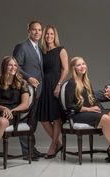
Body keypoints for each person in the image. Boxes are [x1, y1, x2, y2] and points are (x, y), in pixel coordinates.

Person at [65, 56, 110, 164]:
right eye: (78, 65)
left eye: (83, 64)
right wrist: (88, 109)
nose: (82, 66)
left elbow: (93, 99)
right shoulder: (71, 83)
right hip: (78, 114)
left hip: (90, 111)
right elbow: (69, 105)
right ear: (74, 68)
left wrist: (100, 105)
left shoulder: (86, 82)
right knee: (105, 118)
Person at [13, 20, 44, 160]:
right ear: (29, 31)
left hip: (38, 90)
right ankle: (27, 152)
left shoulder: (39, 48)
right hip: (27, 90)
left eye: (39, 30)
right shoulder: (21, 47)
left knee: (32, 121)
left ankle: (32, 149)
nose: (37, 32)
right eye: (34, 29)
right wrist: (29, 78)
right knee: (25, 120)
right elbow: (15, 67)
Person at [37, 25, 69, 159]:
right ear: (44, 36)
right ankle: (59, 144)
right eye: (47, 34)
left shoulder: (61, 50)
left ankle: (52, 146)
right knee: (44, 119)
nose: (49, 36)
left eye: (51, 34)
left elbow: (65, 69)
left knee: (56, 118)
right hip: (44, 86)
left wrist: (59, 85)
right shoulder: (41, 51)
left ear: (55, 36)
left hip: (56, 85)